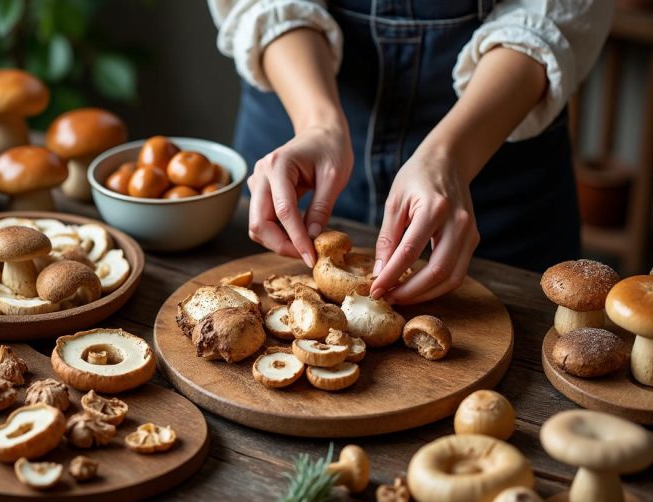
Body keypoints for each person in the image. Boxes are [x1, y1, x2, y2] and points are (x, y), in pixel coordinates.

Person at [208, 0, 613, 304]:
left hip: (496, 159)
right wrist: (318, 123)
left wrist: (449, 157)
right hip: (298, 138)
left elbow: (554, 14)